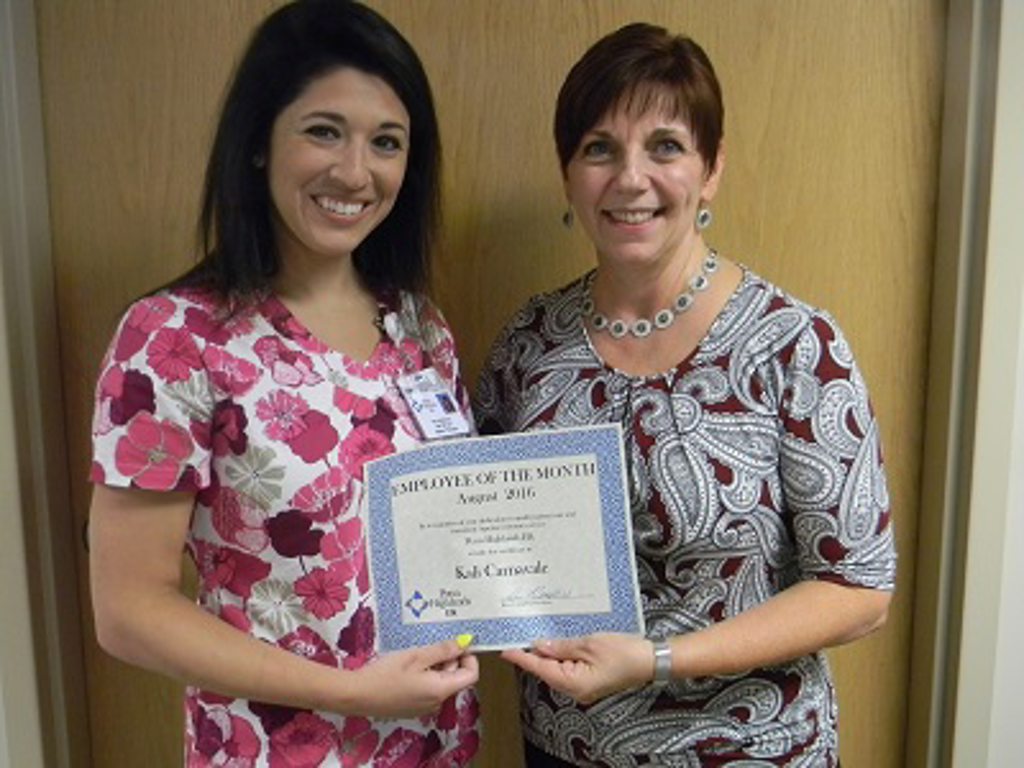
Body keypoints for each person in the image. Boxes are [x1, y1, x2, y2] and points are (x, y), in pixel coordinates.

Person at [474, 22, 896, 767]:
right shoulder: (530, 344)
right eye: (599, 148)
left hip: (748, 750)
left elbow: (859, 590)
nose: (630, 178)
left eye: (664, 146)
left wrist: (658, 659)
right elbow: (480, 536)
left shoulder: (793, 344)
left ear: (711, 170)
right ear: (568, 174)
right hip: (565, 749)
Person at [88, 1, 480, 764]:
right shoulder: (173, 339)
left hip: (433, 745)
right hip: (273, 749)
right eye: (323, 131)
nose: (355, 172)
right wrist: (351, 692)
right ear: (260, 142)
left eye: (387, 143)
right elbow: (127, 611)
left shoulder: (419, 330)